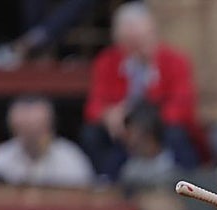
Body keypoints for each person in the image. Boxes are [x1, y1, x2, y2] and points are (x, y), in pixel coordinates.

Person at [81, 2, 202, 180]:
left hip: (160, 124)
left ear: (153, 34)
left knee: (176, 134)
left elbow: (183, 106)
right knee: (92, 134)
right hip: (123, 128)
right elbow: (94, 105)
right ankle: (105, 184)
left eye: (141, 39)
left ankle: (188, 185)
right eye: (130, 42)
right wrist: (108, 115)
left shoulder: (175, 60)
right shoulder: (107, 62)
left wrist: (145, 121)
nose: (137, 48)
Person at [0, 96, 95, 187]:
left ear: (50, 127)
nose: (31, 136)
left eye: (38, 129)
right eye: (24, 129)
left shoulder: (71, 159)